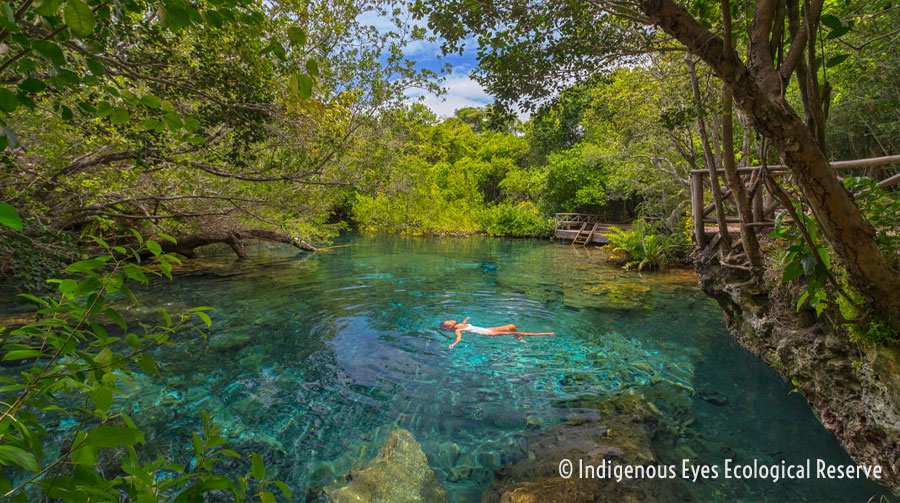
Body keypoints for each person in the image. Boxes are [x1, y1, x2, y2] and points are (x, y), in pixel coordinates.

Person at [439, 317, 555, 349]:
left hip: (487, 328)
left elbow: (466, 325)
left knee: (512, 326)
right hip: (487, 334)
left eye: (449, 320)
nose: (450, 320)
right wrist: (454, 344)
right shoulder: (458, 330)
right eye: (448, 322)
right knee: (520, 332)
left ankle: (516, 336)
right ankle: (545, 333)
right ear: (450, 326)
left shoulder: (459, 324)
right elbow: (459, 337)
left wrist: (466, 320)